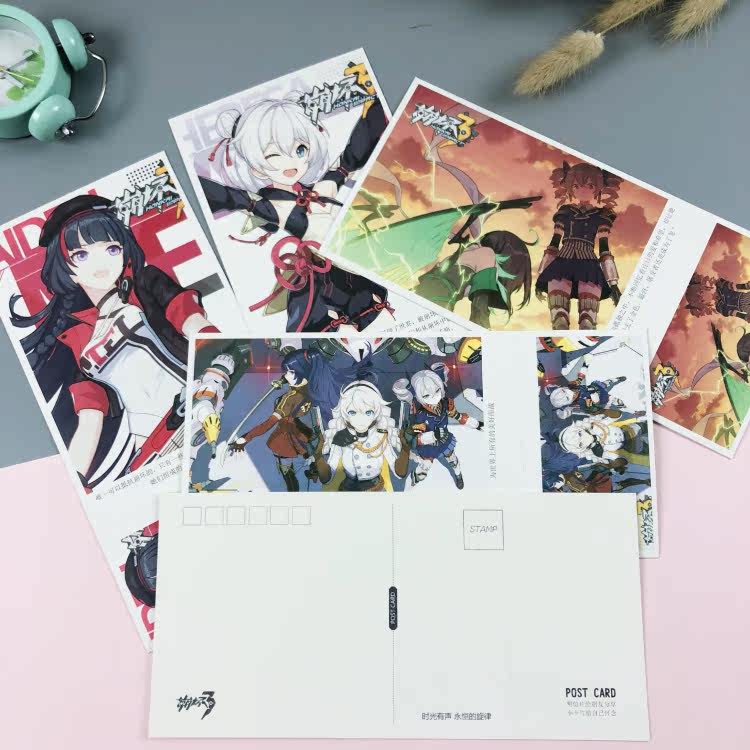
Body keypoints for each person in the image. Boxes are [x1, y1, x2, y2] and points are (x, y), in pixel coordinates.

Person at [9, 195, 216, 488]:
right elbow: (90, 417)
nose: (100, 263)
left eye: (111, 249)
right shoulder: (75, 338)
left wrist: (224, 356)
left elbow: (193, 322)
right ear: (65, 268)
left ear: (124, 251)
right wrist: (76, 482)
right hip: (151, 446)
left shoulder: (145, 283)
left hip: (196, 399)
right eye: (81, 255)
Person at [198, 92, 391, 333]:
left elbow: (353, 155)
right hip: (327, 278)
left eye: (299, 150)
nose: (289, 162)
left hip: (358, 260)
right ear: (256, 166)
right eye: (273, 156)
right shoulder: (272, 205)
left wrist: (374, 105)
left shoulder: (323, 186)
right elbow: (225, 196)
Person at [536, 161, 624, 329]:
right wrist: (542, 273)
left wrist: (613, 282)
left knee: (588, 320)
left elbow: (604, 249)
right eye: (576, 185)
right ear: (570, 187)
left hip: (588, 266)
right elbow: (554, 243)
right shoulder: (565, 212)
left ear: (597, 188)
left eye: (589, 185)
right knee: (559, 318)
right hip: (562, 263)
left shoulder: (602, 216)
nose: (583, 190)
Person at [393, 363, 482, 490]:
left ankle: (458, 475)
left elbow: (456, 415)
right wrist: (431, 436)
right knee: (423, 471)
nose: (434, 397)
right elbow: (412, 437)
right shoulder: (418, 414)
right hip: (427, 447)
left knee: (453, 460)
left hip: (444, 441)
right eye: (426, 395)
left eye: (437, 390)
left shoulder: (445, 403)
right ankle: (408, 487)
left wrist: (476, 424)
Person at [314, 380, 409, 491]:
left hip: (376, 490)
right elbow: (327, 477)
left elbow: (399, 472)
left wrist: (405, 448)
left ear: (376, 412)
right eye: (352, 412)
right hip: (348, 490)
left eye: (368, 412)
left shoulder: (381, 435)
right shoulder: (341, 436)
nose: (360, 419)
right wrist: (318, 455)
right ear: (344, 413)